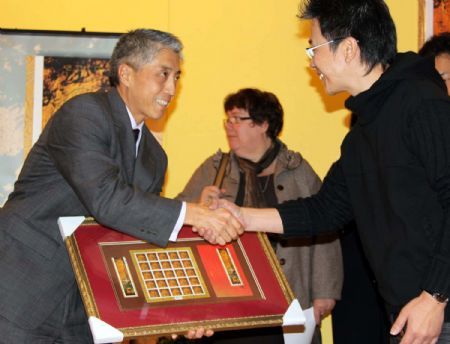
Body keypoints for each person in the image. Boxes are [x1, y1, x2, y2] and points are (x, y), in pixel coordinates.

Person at [214, 1, 450, 343]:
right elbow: (325, 210)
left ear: (349, 49)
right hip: (410, 312)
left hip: (436, 310)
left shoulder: (421, 104)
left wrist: (435, 296)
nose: (311, 61)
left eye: (314, 48)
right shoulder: (363, 130)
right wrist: (241, 217)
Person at [0, 29, 242, 343]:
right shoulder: (84, 114)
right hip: (22, 289)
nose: (171, 88)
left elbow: (136, 241)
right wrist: (194, 214)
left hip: (82, 309)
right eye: (163, 75)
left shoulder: (156, 157)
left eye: (177, 77)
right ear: (126, 73)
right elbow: (106, 199)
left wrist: (182, 311)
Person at [176, 88, 343, 344]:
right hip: (228, 299)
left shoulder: (297, 170)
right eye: (227, 120)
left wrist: (325, 291)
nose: (229, 126)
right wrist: (198, 207)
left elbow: (325, 228)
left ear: (264, 124)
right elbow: (175, 220)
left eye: (237, 119)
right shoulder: (213, 169)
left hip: (288, 296)